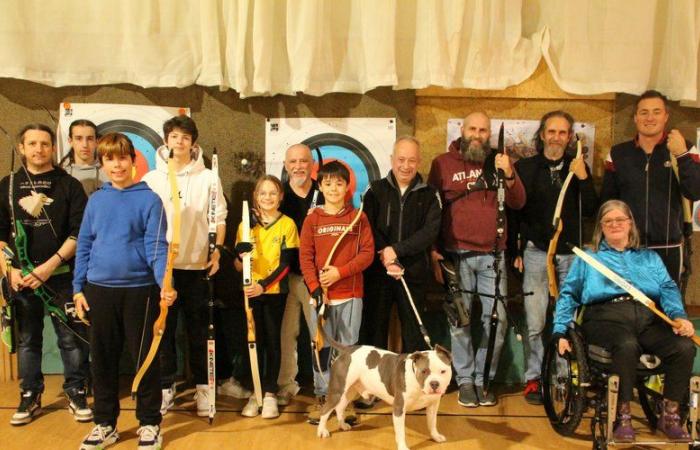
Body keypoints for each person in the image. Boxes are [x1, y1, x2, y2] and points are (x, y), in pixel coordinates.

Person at [553, 199, 695, 442]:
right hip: (605, 318)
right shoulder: (589, 257)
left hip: (647, 318)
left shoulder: (649, 258)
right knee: (627, 344)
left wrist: (679, 317)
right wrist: (560, 331)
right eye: (608, 221)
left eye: (620, 219)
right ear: (601, 227)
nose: (615, 224)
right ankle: (623, 416)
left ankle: (670, 415)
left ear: (630, 223)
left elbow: (668, 288)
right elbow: (569, 294)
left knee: (683, 348)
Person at [73, 133, 175, 450]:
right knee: (101, 360)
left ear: (133, 160)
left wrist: (164, 285)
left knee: (145, 359)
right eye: (109, 159)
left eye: (121, 158)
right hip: (99, 291)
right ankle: (105, 424)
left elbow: (157, 247)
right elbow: (85, 244)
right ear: (102, 164)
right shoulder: (96, 200)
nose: (116, 165)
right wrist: (78, 288)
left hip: (140, 292)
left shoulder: (149, 200)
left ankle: (148, 424)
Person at [428, 111, 525, 408]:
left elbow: (519, 202)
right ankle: (467, 381)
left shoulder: (499, 161)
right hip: (456, 256)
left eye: (483, 130)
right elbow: (431, 209)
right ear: (462, 129)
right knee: (460, 321)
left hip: (493, 257)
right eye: (473, 128)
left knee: (497, 319)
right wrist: (433, 250)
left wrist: (509, 173)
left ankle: (484, 378)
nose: (478, 134)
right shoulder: (442, 164)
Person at [0, 123, 92, 426]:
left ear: (53, 148)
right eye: (32, 144)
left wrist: (50, 265)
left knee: (70, 339)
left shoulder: (69, 186)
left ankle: (76, 390)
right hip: (22, 279)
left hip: (61, 276)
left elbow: (80, 232)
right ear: (21, 148)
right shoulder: (8, 185)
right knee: (28, 340)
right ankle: (30, 394)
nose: (39, 149)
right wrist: (9, 269)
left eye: (45, 143)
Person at [142, 115, 227, 416]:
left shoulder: (208, 178)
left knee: (199, 331)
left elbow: (218, 219)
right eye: (174, 136)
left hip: (196, 267)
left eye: (185, 137)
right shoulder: (152, 179)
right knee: (163, 330)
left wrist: (215, 254)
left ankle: (204, 389)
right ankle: (166, 388)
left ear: (193, 143)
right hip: (161, 269)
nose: (180, 142)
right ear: (166, 141)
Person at [511, 111, 598, 404]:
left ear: (570, 137)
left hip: (570, 255)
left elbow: (591, 211)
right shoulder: (525, 167)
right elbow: (515, 212)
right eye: (551, 132)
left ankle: (563, 377)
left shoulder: (577, 168)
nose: (556, 138)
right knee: (535, 320)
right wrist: (516, 251)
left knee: (567, 322)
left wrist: (583, 179)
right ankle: (534, 378)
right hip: (536, 253)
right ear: (542, 134)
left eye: (562, 133)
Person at [299, 161, 374, 424]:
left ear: (347, 187)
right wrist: (315, 286)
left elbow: (366, 255)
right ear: (320, 186)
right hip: (321, 297)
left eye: (339, 183)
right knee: (320, 347)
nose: (333, 188)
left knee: (347, 350)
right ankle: (322, 396)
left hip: (351, 294)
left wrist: (339, 273)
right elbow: (305, 257)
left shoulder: (358, 217)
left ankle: (345, 400)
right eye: (328, 183)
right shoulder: (312, 220)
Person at [602, 90, 700, 288]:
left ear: (666, 117)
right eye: (644, 112)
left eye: (656, 112)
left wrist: (681, 155)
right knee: (629, 309)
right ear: (636, 117)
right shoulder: (618, 153)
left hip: (669, 247)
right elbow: (608, 201)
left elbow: (695, 192)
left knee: (668, 310)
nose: (650, 117)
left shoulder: (685, 149)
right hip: (628, 247)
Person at [361, 136, 441, 353]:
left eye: (412, 160)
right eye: (401, 159)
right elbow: (366, 225)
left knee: (414, 333)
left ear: (419, 161)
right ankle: (373, 384)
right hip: (378, 271)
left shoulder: (431, 194)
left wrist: (396, 250)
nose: (406, 166)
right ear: (391, 159)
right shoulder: (374, 190)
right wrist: (385, 254)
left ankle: (411, 382)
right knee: (374, 331)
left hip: (413, 272)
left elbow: (429, 232)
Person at [234, 175, 300, 419]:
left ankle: (270, 392)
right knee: (253, 343)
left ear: (281, 196)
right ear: (256, 197)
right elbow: (238, 265)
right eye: (263, 193)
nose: (268, 198)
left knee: (273, 341)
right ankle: (256, 393)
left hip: (274, 293)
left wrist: (263, 285)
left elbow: (286, 266)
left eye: (273, 193)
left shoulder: (287, 225)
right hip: (250, 293)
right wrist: (240, 258)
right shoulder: (245, 225)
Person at [277, 143, 324, 406]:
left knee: (318, 334)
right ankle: (286, 385)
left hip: (314, 279)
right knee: (287, 334)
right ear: (286, 165)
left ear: (312, 165)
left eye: (303, 161)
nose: (298, 166)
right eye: (293, 162)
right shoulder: (279, 195)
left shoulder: (325, 191)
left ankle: (324, 386)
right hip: (284, 278)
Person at [59, 119, 108, 195]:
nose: (85, 145)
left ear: (97, 141)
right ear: (70, 141)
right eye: (79, 138)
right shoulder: (60, 173)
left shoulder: (109, 171)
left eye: (90, 139)